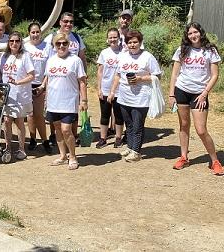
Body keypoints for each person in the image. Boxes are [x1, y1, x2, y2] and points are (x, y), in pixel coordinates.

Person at [168, 22, 222, 175]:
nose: (193, 36)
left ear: (200, 32)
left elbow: (215, 75)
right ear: (187, 35)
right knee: (184, 125)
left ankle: (215, 161)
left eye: (195, 32)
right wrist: (171, 94)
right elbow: (174, 74)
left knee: (201, 130)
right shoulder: (182, 50)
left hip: (200, 94)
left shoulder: (210, 51)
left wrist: (205, 93)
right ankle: (184, 157)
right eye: (190, 33)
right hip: (181, 91)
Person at [107, 30, 161, 163]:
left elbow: (157, 75)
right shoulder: (123, 56)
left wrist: (141, 78)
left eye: (135, 42)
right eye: (130, 42)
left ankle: (136, 151)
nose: (132, 44)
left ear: (140, 42)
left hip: (141, 98)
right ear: (126, 44)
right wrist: (112, 92)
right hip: (125, 96)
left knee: (137, 125)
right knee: (129, 124)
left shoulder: (148, 57)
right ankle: (130, 147)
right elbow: (118, 75)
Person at [42, 33, 87, 170]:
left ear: (69, 45)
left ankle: (72, 156)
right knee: (57, 129)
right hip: (53, 101)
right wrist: (44, 96)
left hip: (69, 101)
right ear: (54, 46)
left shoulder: (75, 60)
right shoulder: (51, 60)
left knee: (66, 130)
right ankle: (62, 156)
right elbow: (48, 79)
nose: (61, 46)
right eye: (58, 44)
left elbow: (82, 82)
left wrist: (84, 100)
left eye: (64, 43)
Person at [43, 12, 87, 141]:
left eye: (71, 22)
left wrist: (84, 77)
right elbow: (46, 59)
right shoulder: (51, 37)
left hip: (73, 79)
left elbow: (82, 57)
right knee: (54, 108)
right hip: (56, 77)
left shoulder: (77, 38)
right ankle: (54, 135)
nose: (68, 24)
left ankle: (73, 135)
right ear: (60, 22)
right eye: (66, 21)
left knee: (72, 108)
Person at [0, 32, 35, 160]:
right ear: (8, 42)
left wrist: (18, 82)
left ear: (20, 42)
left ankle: (21, 149)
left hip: (21, 95)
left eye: (17, 41)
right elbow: (1, 73)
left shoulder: (25, 56)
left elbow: (31, 75)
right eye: (11, 41)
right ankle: (8, 148)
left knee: (19, 121)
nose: (14, 43)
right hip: (7, 95)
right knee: (6, 121)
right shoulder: (4, 56)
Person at [24, 22, 52, 153]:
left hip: (40, 85)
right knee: (30, 114)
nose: (35, 35)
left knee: (39, 115)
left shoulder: (47, 47)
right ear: (29, 34)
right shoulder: (24, 47)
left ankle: (45, 140)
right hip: (27, 84)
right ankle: (32, 139)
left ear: (41, 33)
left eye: (37, 32)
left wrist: (43, 85)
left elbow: (50, 68)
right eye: (32, 32)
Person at [95, 28, 123, 148]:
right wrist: (99, 88)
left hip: (120, 89)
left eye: (115, 37)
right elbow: (100, 72)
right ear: (107, 39)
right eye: (110, 37)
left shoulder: (124, 52)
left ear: (119, 38)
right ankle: (103, 138)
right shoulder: (104, 53)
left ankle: (118, 138)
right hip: (106, 88)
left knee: (118, 115)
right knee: (105, 114)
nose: (113, 39)